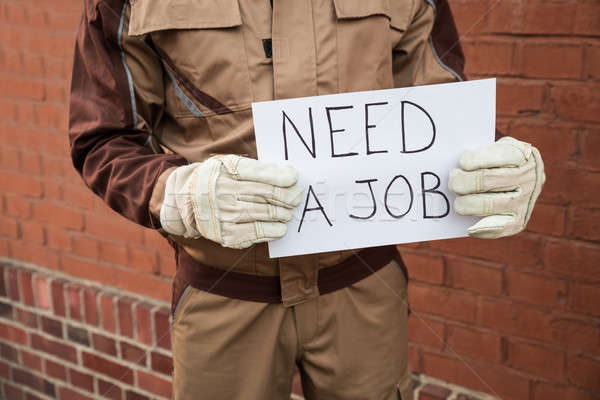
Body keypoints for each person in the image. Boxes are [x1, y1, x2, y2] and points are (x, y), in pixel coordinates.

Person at [68, 1, 545, 399]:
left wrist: (496, 162)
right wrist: (176, 193)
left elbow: (437, 112)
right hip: (224, 296)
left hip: (366, 291)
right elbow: (105, 137)